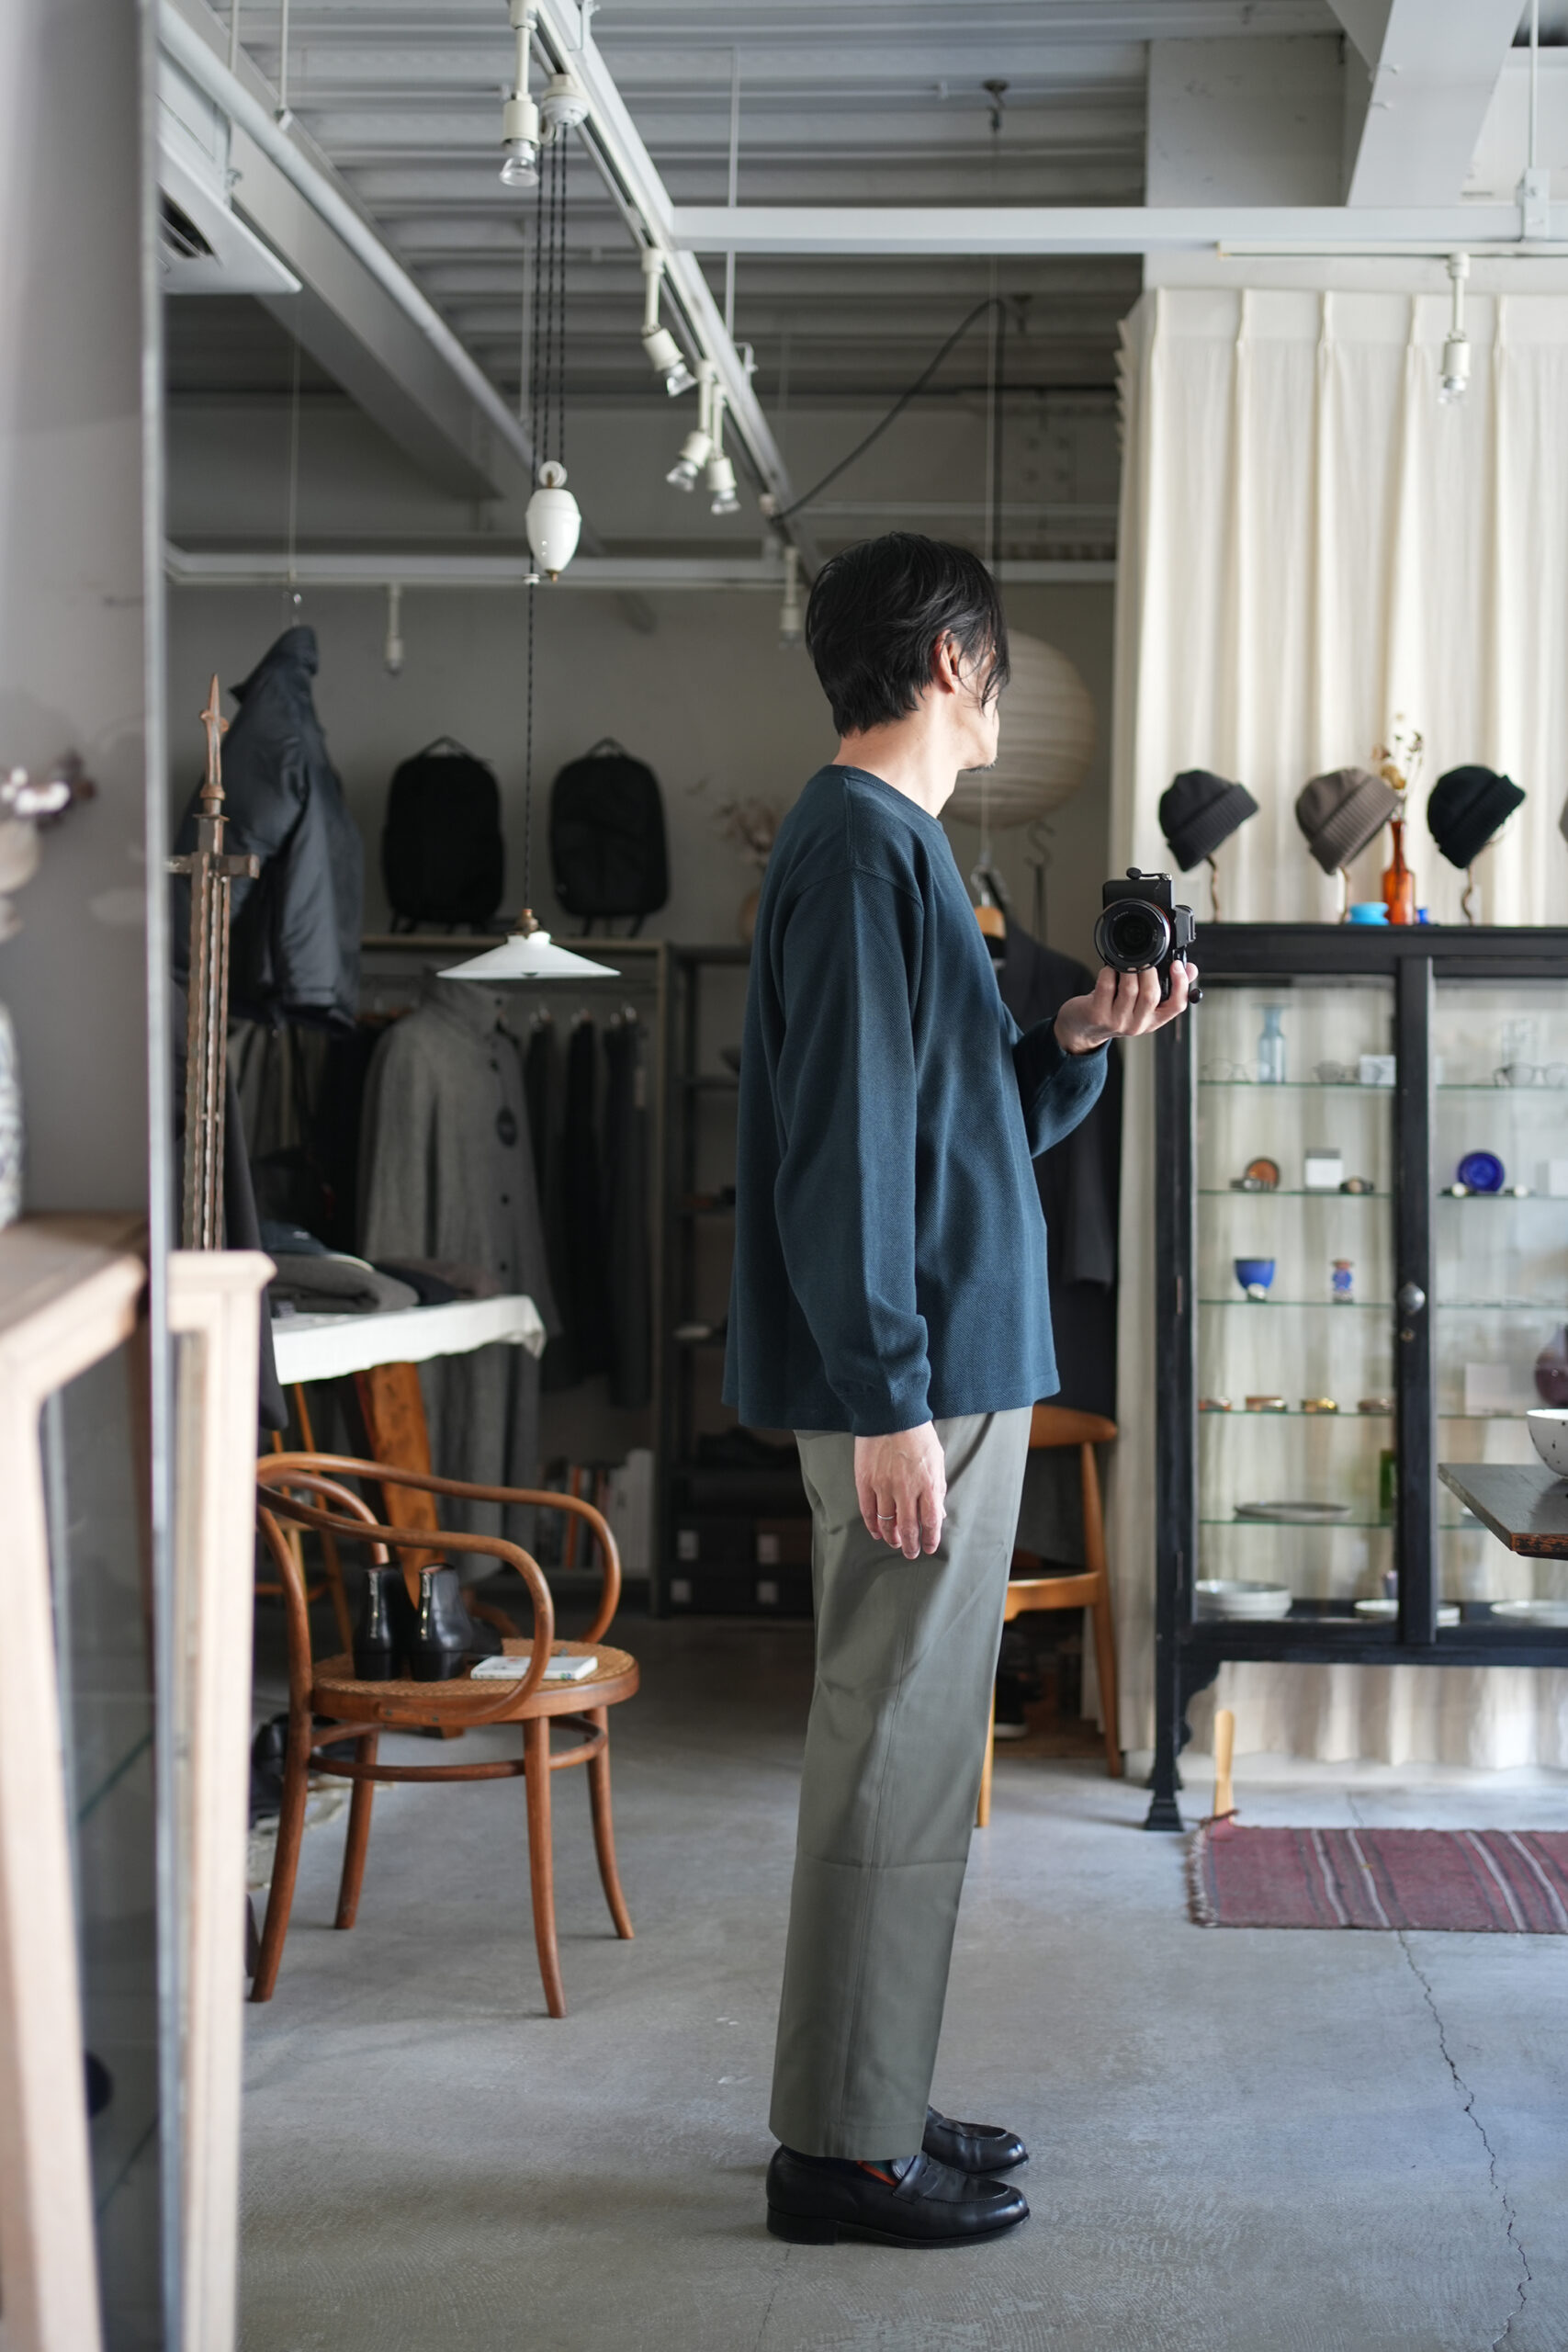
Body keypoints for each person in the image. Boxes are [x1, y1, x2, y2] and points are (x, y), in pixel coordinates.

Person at [723, 534, 1194, 2251]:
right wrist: (890, 1401)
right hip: (917, 1381)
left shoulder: (891, 847)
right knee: (895, 1752)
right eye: (994, 660)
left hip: (944, 1365)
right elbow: (845, 1153)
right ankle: (841, 2153)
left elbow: (948, 1123)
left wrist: (1073, 1043)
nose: (999, 690)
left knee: (912, 1754)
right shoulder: (863, 848)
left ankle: (867, 2096)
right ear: (949, 663)